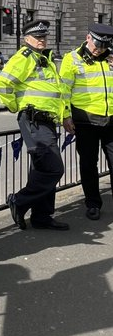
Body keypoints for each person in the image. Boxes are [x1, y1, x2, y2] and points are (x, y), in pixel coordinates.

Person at [0, 20, 68, 231]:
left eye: (44, 36)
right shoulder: (25, 57)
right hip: (34, 119)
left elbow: (57, 91)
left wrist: (64, 115)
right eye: (37, 37)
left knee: (41, 169)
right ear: (26, 39)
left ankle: (42, 216)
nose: (42, 40)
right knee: (54, 168)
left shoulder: (44, 58)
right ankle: (19, 201)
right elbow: (3, 83)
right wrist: (15, 106)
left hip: (47, 120)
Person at [59, 22, 113, 220]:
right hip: (85, 121)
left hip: (111, 120)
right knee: (89, 164)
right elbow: (64, 91)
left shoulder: (110, 56)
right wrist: (65, 115)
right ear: (88, 37)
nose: (99, 50)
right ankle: (92, 203)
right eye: (97, 45)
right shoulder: (72, 59)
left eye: (104, 46)